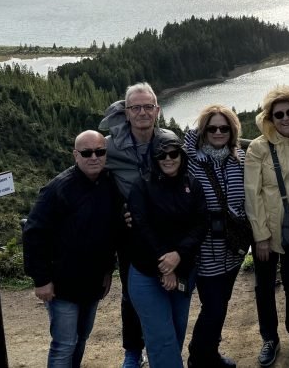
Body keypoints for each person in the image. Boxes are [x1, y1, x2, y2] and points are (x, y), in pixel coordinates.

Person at [23, 130, 121, 368]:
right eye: (87, 153)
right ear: (75, 155)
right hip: (62, 285)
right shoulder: (57, 189)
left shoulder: (109, 184)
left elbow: (110, 233)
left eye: (100, 151)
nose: (94, 157)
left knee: (81, 338)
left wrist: (108, 270)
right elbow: (33, 233)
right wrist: (41, 279)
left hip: (93, 282)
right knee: (64, 344)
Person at [100, 82, 179, 368]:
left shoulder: (168, 140)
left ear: (157, 110)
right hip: (131, 235)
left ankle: (168, 346)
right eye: (136, 107)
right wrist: (117, 211)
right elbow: (93, 178)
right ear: (126, 112)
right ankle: (133, 350)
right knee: (131, 294)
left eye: (148, 107)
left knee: (170, 286)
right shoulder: (110, 146)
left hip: (166, 231)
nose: (143, 112)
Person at [244, 85, 289, 366]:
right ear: (270, 118)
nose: (286, 118)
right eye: (279, 114)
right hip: (267, 229)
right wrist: (260, 236)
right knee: (264, 287)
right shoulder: (259, 147)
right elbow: (253, 194)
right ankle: (269, 338)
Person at [127, 133, 208, 368]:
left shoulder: (192, 184)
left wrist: (178, 255)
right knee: (161, 336)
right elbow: (142, 228)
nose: (168, 159)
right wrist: (165, 266)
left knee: (176, 330)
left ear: (181, 156)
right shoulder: (142, 186)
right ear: (154, 158)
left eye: (174, 154)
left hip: (183, 268)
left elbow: (200, 224)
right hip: (146, 272)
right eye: (162, 155)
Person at [184, 105, 247, 368]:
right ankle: (199, 356)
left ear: (232, 131)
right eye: (212, 128)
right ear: (203, 131)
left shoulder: (239, 158)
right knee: (213, 307)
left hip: (232, 248)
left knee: (221, 302)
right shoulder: (191, 161)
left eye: (224, 127)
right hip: (205, 249)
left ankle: (209, 352)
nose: (218, 132)